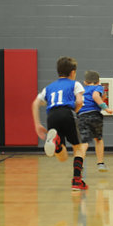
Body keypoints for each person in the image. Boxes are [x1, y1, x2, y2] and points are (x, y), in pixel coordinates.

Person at [31, 56, 87, 190]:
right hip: (67, 113)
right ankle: (76, 181)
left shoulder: (49, 87)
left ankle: (56, 143)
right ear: (73, 72)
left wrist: (37, 124)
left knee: (62, 157)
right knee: (78, 148)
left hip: (51, 116)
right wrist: (75, 111)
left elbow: (35, 103)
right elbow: (79, 101)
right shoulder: (75, 84)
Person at [77, 70, 113, 173]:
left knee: (84, 142)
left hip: (82, 116)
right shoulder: (98, 87)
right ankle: (100, 163)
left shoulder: (82, 90)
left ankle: (79, 165)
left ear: (85, 82)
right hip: (94, 115)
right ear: (98, 81)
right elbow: (95, 96)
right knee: (98, 139)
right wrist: (107, 108)